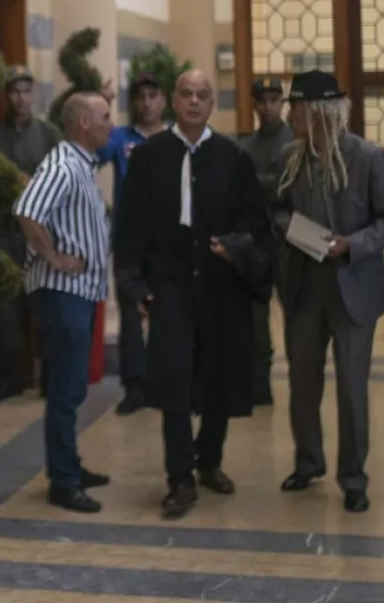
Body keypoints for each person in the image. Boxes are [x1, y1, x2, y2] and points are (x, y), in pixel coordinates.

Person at [113, 70, 271, 520]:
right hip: (170, 285)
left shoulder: (233, 158)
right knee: (175, 380)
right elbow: (130, 227)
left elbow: (254, 225)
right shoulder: (149, 157)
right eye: (187, 94)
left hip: (221, 287)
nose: (195, 102)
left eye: (203, 95)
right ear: (173, 101)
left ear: (211, 104)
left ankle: (211, 461)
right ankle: (180, 476)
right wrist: (135, 285)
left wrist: (236, 247)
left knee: (217, 376)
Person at [274, 70, 384, 514]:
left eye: (295, 106)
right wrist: (301, 234)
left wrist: (350, 245)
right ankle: (308, 462)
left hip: (354, 291)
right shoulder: (292, 158)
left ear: (319, 111)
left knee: (351, 387)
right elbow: (279, 214)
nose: (288, 113)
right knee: (303, 383)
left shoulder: (369, 158)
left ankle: (353, 478)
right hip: (304, 291)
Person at [13, 93, 115, 513]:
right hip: (62, 292)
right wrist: (54, 257)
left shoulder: (81, 166)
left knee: (69, 388)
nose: (112, 123)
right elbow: (27, 210)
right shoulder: (63, 164)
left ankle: (68, 464)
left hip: (79, 293)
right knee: (65, 390)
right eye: (105, 116)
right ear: (84, 124)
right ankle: (64, 481)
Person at [0, 64, 62, 401]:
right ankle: (11, 377)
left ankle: (48, 378)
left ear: (35, 94)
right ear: (6, 95)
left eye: (27, 90)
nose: (21, 97)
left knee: (43, 303)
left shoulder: (47, 134)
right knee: (7, 307)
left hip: (39, 232)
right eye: (14, 91)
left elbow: (62, 178)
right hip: (3, 230)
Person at [96, 73, 168, 415]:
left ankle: (163, 379)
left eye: (153, 95)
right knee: (129, 314)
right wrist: (103, 103)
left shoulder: (175, 137)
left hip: (168, 239)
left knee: (167, 311)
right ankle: (135, 385)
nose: (146, 103)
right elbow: (94, 149)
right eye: (139, 96)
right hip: (129, 239)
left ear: (163, 100)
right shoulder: (121, 138)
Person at [238, 76, 295, 406]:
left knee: (296, 316)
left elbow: (290, 187)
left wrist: (259, 182)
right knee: (256, 318)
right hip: (256, 241)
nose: (269, 106)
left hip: (289, 240)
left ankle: (301, 378)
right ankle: (260, 384)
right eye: (263, 100)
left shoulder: (295, 141)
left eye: (275, 99)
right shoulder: (246, 145)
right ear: (255, 104)